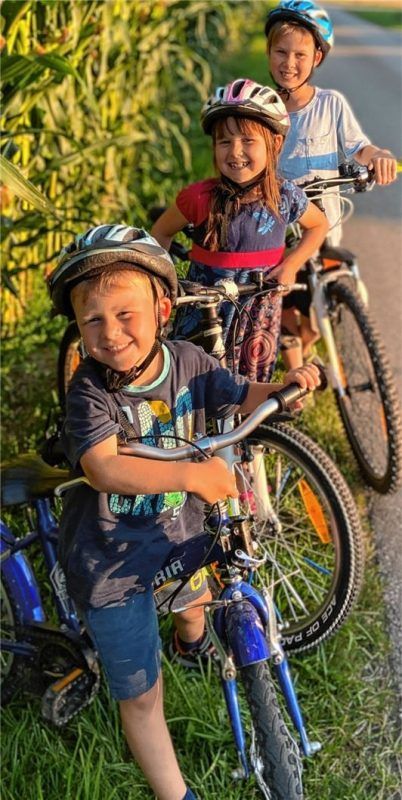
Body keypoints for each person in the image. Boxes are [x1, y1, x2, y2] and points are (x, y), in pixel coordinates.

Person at [47, 224, 320, 800]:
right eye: (92, 320)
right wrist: (192, 475)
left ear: (163, 309)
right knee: (142, 696)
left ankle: (189, 645)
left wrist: (279, 387)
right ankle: (178, 794)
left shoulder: (190, 361)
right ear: (77, 326)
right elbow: (102, 467)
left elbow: (237, 391)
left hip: (179, 535)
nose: (111, 333)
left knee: (194, 602)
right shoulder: (90, 393)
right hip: (113, 564)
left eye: (126, 314)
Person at [151, 77, 328, 383]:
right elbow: (161, 233)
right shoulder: (198, 198)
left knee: (251, 387)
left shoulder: (285, 197)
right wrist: (161, 283)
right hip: (205, 311)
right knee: (192, 385)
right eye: (224, 142)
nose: (235, 152)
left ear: (274, 144)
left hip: (259, 311)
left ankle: (247, 432)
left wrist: (291, 266)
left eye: (248, 141)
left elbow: (318, 225)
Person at [264, 0, 398, 367]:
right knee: (284, 302)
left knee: (320, 314)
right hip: (276, 227)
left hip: (322, 228)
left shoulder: (330, 104)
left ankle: (304, 346)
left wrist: (379, 157)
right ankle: (296, 384)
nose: (289, 63)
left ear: (317, 59)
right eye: (281, 52)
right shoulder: (263, 108)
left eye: (300, 55)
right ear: (268, 52)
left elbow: (360, 147)